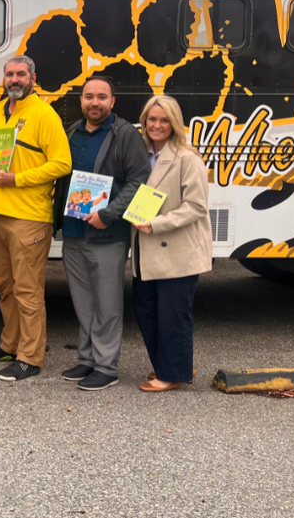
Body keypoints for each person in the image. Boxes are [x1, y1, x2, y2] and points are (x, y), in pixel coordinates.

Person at [0, 56, 72, 382]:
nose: (14, 79)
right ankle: (10, 345)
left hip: (29, 216)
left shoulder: (44, 114)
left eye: (20, 74)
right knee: (5, 286)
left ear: (32, 77)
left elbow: (62, 163)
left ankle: (30, 357)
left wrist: (17, 179)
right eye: (9, 74)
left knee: (28, 291)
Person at [54, 76, 150, 391]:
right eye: (89, 97)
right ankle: (88, 359)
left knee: (107, 305)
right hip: (73, 233)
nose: (94, 103)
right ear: (81, 100)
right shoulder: (72, 132)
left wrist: (108, 214)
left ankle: (107, 367)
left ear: (113, 101)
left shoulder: (125, 134)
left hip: (107, 235)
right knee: (83, 302)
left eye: (101, 97)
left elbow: (139, 180)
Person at [131, 95, 212, 392]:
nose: (157, 125)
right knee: (147, 311)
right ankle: (172, 364)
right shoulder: (140, 155)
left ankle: (171, 374)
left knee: (172, 316)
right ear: (144, 121)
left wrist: (157, 224)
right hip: (145, 248)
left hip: (176, 248)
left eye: (164, 120)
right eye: (152, 119)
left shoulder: (187, 158)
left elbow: (196, 206)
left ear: (175, 123)